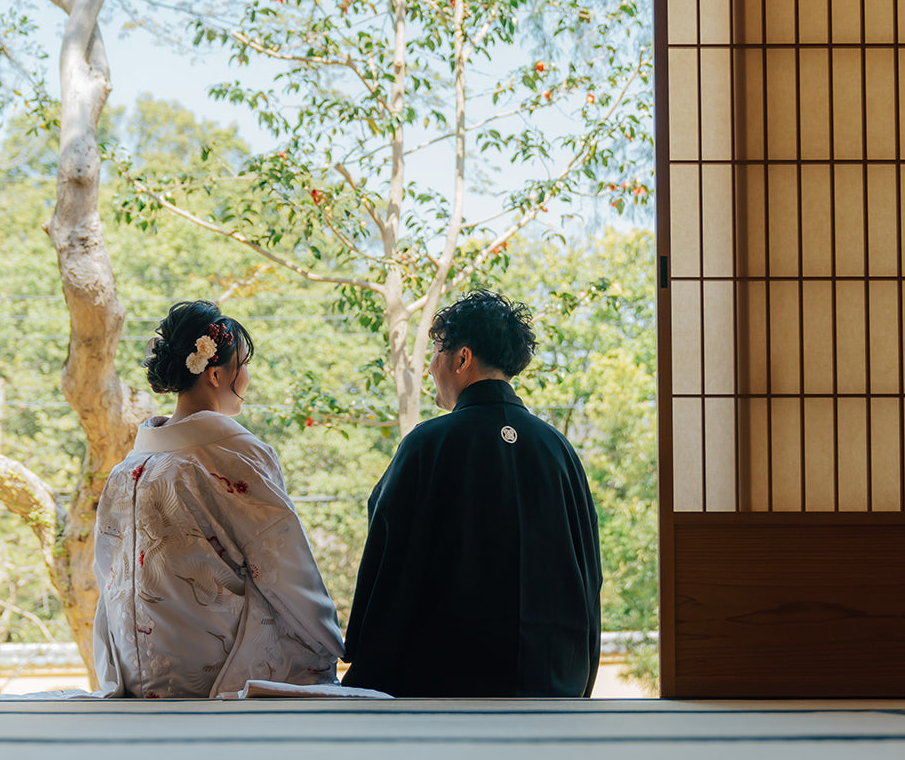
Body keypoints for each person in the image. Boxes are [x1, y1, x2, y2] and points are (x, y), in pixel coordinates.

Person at [342, 290, 602, 697]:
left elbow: (390, 562)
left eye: (436, 351)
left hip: (444, 683)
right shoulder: (557, 450)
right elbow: (589, 575)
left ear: (462, 359)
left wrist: (364, 656)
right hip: (549, 680)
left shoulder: (428, 445)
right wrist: (582, 670)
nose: (430, 367)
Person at [92, 300, 344, 698]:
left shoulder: (127, 470)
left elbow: (108, 576)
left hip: (133, 667)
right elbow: (283, 564)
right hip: (215, 671)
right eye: (241, 365)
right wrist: (331, 639)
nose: (246, 377)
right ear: (214, 373)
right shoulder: (232, 454)